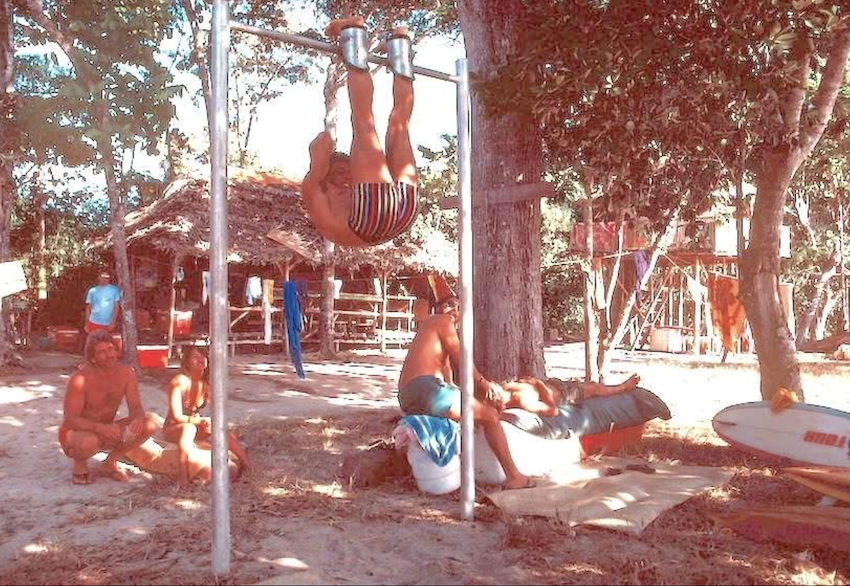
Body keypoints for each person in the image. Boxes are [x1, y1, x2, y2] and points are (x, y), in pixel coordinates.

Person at [302, 17, 419, 247]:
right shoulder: (314, 184)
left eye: (348, 172)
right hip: (372, 220)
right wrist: (325, 152)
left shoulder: (323, 191)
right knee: (363, 121)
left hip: (397, 214)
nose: (347, 178)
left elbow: (323, 142)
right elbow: (320, 148)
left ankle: (400, 45)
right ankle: (352, 33)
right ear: (326, 174)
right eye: (340, 173)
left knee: (399, 126)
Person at [398, 296, 535, 490]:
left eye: (457, 307)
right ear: (438, 309)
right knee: (490, 416)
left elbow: (449, 383)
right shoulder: (441, 321)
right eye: (448, 305)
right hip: (425, 389)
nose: (453, 310)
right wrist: (485, 385)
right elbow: (462, 359)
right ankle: (514, 477)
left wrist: (475, 401)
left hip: (411, 395)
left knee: (480, 412)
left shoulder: (431, 332)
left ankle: (465, 471)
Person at [59, 331, 158, 485]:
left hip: (106, 429)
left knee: (149, 424)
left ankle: (110, 463)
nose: (109, 355)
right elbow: (71, 420)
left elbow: (136, 407)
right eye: (102, 352)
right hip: (75, 433)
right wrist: (100, 428)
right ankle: (79, 465)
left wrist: (138, 418)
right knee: (89, 442)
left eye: (111, 349)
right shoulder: (80, 379)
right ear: (93, 358)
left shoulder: (127, 374)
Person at [162, 347, 251, 485]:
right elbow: (176, 416)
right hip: (174, 428)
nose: (200, 360)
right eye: (195, 357)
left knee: (219, 429)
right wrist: (198, 421)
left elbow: (216, 411)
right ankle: (183, 476)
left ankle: (247, 466)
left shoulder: (206, 384)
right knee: (188, 429)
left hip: (195, 425)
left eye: (203, 357)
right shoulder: (179, 381)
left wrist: (211, 423)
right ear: (187, 362)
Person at [495, 374, 643, 417]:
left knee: (591, 384)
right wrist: (538, 384)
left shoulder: (503, 388)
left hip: (553, 384)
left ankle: (618, 386)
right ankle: (623, 387)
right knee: (595, 388)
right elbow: (552, 411)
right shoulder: (522, 400)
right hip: (562, 395)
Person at [84, 270, 121, 334]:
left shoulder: (115, 290)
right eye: (102, 277)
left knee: (106, 340)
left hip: (108, 323)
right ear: (99, 278)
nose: (104, 279)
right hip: (93, 322)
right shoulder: (92, 291)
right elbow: (88, 308)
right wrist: (87, 323)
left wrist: (113, 321)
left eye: (107, 277)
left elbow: (116, 307)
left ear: (109, 279)